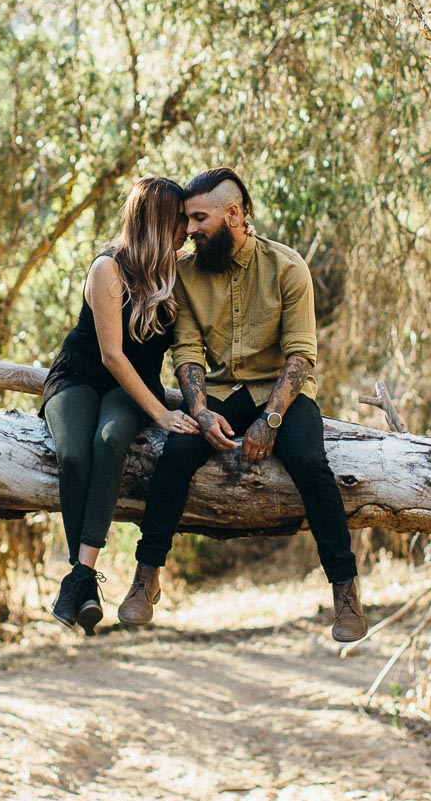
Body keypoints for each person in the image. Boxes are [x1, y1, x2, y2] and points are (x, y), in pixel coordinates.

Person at [117, 168, 370, 642]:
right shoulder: (186, 273)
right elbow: (187, 351)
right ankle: (146, 576)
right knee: (175, 453)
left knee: (311, 464)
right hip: (220, 394)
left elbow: (301, 356)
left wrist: (270, 420)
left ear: (233, 214)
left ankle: (345, 592)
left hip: (282, 394)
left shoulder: (287, 266)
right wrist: (199, 411)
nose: (189, 229)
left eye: (199, 218)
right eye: (187, 220)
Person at [39, 176, 199, 633]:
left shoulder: (179, 270)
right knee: (74, 454)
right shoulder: (107, 268)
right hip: (79, 377)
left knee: (110, 441)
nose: (188, 229)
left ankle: (78, 579)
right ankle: (84, 579)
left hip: (132, 388)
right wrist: (161, 414)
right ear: (158, 222)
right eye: (180, 219)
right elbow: (111, 355)